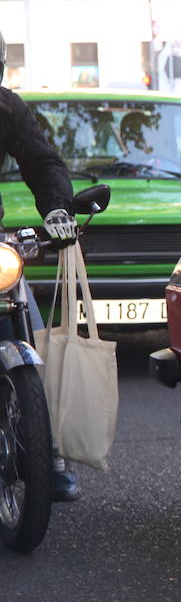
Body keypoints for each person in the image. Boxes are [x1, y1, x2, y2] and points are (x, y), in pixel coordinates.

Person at [0, 35, 80, 500]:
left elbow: (41, 159)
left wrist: (56, 209)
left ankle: (49, 459)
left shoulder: (7, 109)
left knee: (26, 326)